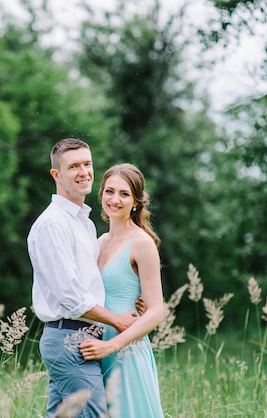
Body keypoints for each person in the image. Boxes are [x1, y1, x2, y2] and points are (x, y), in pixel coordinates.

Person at [28, 139, 139, 418]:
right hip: (70, 339)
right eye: (74, 166)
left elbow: (95, 282)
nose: (83, 172)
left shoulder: (85, 223)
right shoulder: (54, 224)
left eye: (87, 164)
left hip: (83, 337)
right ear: (56, 175)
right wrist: (118, 321)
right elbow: (72, 297)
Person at [79, 163, 164, 417]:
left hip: (124, 351)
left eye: (124, 194)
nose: (115, 199)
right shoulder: (98, 242)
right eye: (109, 191)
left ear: (136, 201)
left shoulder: (142, 243)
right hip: (93, 348)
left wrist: (112, 346)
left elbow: (156, 311)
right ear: (101, 194)